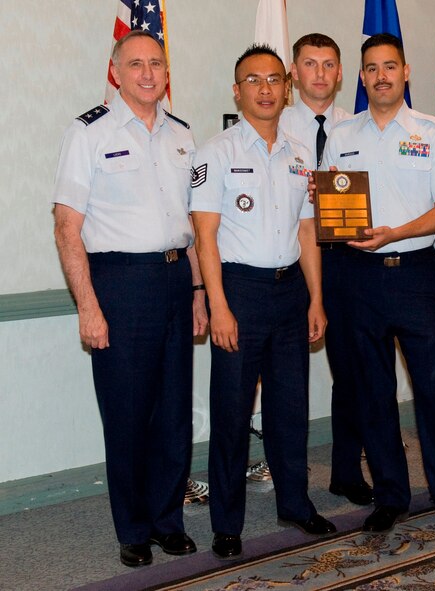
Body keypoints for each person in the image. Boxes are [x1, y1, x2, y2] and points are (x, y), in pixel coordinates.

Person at [52, 30, 207, 567]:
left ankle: (168, 520)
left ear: (166, 72)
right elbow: (67, 226)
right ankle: (134, 529)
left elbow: (189, 223)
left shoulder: (183, 135)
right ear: (115, 71)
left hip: (173, 281)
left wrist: (198, 291)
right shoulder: (88, 132)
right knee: (126, 414)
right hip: (118, 283)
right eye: (135, 64)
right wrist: (88, 306)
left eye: (157, 63)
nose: (147, 73)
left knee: (173, 414)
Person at [322, 33, 435, 550]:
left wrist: (394, 232)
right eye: (372, 68)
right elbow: (331, 208)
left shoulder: (434, 133)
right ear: (361, 76)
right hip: (356, 278)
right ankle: (391, 495)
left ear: (406, 72)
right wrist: (326, 208)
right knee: (371, 394)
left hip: (417, 273)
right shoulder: (341, 133)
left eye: (390, 66)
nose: (381, 76)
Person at [190, 44, 336, 560]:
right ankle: (226, 523)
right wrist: (219, 304)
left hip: (290, 291)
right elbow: (204, 237)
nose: (266, 88)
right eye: (254, 80)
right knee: (231, 413)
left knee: (290, 408)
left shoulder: (300, 154)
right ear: (237, 90)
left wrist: (316, 299)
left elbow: (307, 229)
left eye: (275, 79)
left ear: (286, 87)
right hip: (240, 292)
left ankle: (295, 503)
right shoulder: (216, 152)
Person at [279, 33, 373, 507]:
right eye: (310, 64)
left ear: (340, 74)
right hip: (285, 265)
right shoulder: (272, 124)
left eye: (329, 64)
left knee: (351, 369)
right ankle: (287, 479)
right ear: (293, 73)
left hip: (343, 261)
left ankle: (345, 468)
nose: (319, 73)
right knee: (284, 378)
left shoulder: (358, 128)